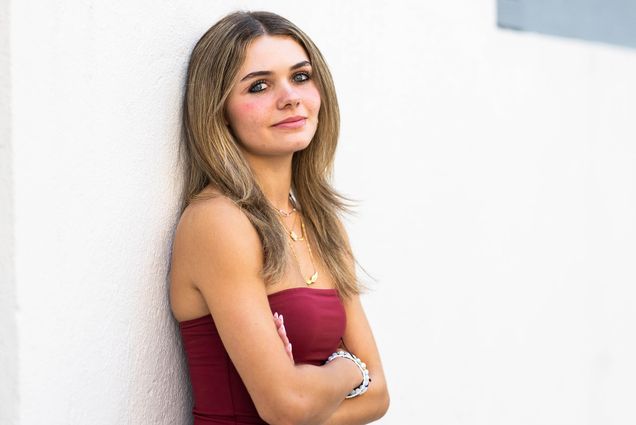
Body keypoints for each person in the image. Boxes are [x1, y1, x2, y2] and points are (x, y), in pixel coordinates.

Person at [169, 10, 389, 425]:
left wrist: (318, 383)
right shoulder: (217, 222)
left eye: (301, 77)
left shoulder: (323, 227)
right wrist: (348, 368)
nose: (290, 97)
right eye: (259, 86)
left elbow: (378, 397)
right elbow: (286, 408)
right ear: (220, 113)